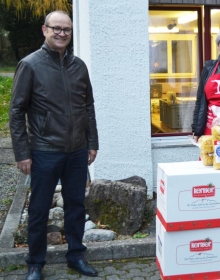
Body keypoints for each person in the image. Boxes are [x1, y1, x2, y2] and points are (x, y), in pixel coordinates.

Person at [9, 11, 99, 279]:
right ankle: (35, 263)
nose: (62, 34)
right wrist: (22, 153)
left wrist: (91, 142)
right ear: (44, 30)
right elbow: (16, 112)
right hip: (45, 150)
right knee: (38, 208)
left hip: (77, 151)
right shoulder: (30, 65)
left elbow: (88, 107)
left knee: (76, 205)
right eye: (56, 28)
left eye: (67, 30)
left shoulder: (78, 66)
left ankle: (75, 256)